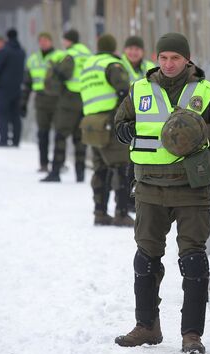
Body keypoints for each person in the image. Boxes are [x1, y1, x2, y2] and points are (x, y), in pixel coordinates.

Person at [113, 33, 210, 354]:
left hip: (191, 190)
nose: (169, 64)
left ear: (187, 59)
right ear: (156, 59)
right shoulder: (140, 90)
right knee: (145, 259)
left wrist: (201, 133)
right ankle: (146, 327)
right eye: (163, 58)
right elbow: (119, 126)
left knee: (193, 262)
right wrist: (126, 131)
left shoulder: (206, 92)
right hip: (150, 189)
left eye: (175, 58)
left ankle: (191, 335)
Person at [78, 34, 133, 226]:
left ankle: (99, 212)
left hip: (91, 123)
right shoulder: (112, 64)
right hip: (109, 122)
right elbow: (123, 89)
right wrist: (118, 114)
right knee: (120, 166)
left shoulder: (88, 66)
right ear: (113, 47)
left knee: (99, 168)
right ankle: (121, 213)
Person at [40, 29, 91, 182]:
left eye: (64, 40)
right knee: (80, 138)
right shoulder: (87, 54)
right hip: (85, 98)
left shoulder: (70, 55)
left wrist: (56, 70)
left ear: (69, 41)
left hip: (69, 99)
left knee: (61, 135)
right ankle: (80, 174)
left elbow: (64, 74)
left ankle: (55, 171)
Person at [120, 36, 156, 213]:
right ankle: (125, 200)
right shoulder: (118, 66)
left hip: (146, 119)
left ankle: (138, 198)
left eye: (137, 49)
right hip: (125, 118)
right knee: (125, 162)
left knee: (140, 160)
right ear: (124, 50)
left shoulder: (151, 68)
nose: (133, 52)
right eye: (130, 48)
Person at [21, 32, 65, 172]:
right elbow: (27, 82)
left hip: (57, 99)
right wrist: (24, 101)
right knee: (43, 133)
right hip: (40, 98)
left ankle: (59, 163)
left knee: (59, 132)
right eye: (41, 41)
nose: (44, 43)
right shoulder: (33, 59)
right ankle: (43, 163)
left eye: (46, 40)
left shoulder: (59, 56)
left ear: (51, 42)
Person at [0, 29, 25, 147]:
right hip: (17, 88)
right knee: (15, 115)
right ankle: (16, 141)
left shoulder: (5, 51)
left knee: (2, 114)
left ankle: (3, 139)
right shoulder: (21, 51)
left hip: (4, 88)